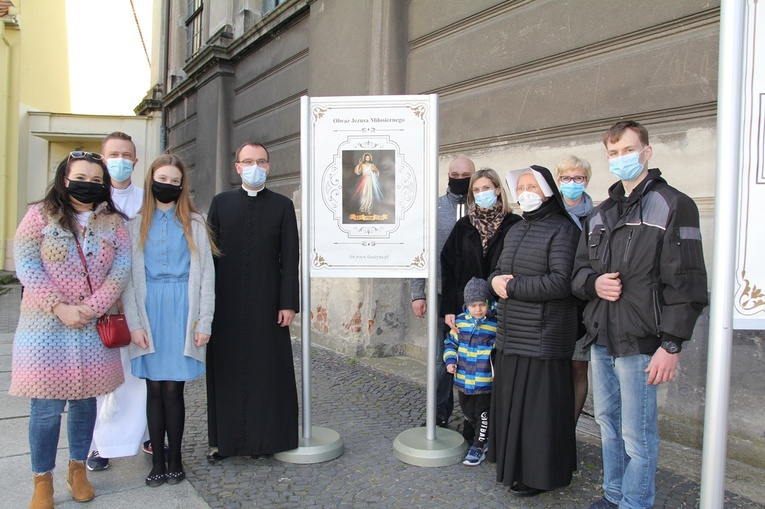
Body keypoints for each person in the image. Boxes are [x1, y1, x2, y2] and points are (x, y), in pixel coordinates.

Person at [571, 120, 708, 509]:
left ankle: (635, 502)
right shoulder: (600, 213)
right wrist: (593, 285)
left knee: (638, 435)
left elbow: (688, 282)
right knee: (608, 427)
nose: (620, 159)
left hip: (642, 342)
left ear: (646, 152)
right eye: (613, 153)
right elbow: (579, 272)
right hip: (602, 338)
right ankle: (614, 495)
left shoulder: (673, 204)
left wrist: (672, 344)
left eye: (627, 151)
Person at [10, 151, 131, 508]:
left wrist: (91, 309)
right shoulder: (39, 215)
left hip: (92, 328)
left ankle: (78, 468)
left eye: (97, 180)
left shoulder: (114, 222)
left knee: (84, 404)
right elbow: (27, 263)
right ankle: (41, 479)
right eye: (82, 177)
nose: (89, 184)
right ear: (65, 178)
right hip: (45, 329)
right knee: (46, 409)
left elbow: (120, 270)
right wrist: (59, 306)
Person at [122, 154, 216, 486]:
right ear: (151, 180)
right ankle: (156, 461)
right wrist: (134, 323)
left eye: (175, 181)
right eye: (163, 179)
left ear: (182, 186)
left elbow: (206, 276)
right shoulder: (134, 225)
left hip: (183, 310)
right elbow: (128, 281)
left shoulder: (195, 223)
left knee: (174, 390)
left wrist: (204, 321)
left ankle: (175, 459)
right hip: (150, 312)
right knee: (154, 389)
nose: (169, 185)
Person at [488, 166, 579, 497]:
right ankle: (513, 466)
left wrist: (513, 288)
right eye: (521, 187)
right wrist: (493, 281)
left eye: (532, 187)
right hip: (513, 332)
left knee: (540, 412)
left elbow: (562, 281)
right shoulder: (516, 229)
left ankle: (540, 474)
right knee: (514, 405)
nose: (525, 192)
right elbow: (500, 271)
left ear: (547, 191)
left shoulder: (563, 230)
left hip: (545, 335)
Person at [205, 141, 300, 461]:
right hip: (226, 302)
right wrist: (208, 305)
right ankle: (227, 442)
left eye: (261, 161)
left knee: (267, 371)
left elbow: (290, 257)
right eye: (248, 161)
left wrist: (288, 303)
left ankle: (267, 440)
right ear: (237, 167)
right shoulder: (220, 203)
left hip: (267, 300)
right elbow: (209, 260)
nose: (254, 166)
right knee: (228, 371)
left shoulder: (282, 205)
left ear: (269, 166)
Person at [88, 131, 149, 471]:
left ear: (136, 161)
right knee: (102, 375)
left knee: (139, 372)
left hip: (139, 299)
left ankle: (144, 435)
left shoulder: (145, 199)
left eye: (127, 155)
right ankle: (100, 445)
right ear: (103, 157)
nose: (121, 161)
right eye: (114, 154)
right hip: (102, 302)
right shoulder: (91, 199)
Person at [409, 155, 475, 428]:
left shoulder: (482, 206)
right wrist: (418, 293)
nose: (459, 179)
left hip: (474, 300)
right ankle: (438, 415)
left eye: (465, 175)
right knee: (440, 361)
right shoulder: (433, 209)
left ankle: (475, 418)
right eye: (454, 174)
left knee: (474, 358)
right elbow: (418, 251)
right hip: (440, 295)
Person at [554, 155, 594, 424]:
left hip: (584, 303)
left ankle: (570, 425)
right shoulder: (550, 213)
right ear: (558, 181)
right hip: (555, 300)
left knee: (579, 366)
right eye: (566, 178)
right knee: (555, 367)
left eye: (578, 178)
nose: (572, 183)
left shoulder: (598, 215)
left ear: (586, 181)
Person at [443, 277, 497, 467]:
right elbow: (451, 343)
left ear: (488, 304)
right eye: (473, 305)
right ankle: (485, 437)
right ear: (467, 305)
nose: (478, 309)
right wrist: (450, 360)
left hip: (484, 380)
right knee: (468, 412)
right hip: (464, 379)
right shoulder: (460, 323)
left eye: (482, 304)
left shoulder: (494, 324)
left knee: (483, 413)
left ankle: (479, 446)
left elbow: (498, 350)